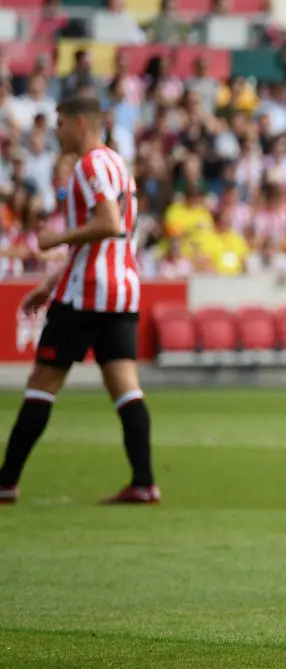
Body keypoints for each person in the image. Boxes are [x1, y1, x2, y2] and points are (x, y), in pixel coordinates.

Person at [0, 96, 158, 506]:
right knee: (126, 388)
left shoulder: (89, 165)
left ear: (77, 122)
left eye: (60, 122)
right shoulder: (117, 163)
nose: (56, 130)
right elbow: (114, 230)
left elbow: (106, 224)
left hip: (87, 293)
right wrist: (52, 281)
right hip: (121, 290)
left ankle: (6, 482)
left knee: (42, 382)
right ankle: (144, 482)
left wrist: (55, 239)